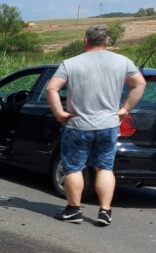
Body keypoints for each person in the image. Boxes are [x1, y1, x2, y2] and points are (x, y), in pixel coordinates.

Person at [45, 24, 145, 226]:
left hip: (77, 125)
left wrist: (60, 113)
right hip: (108, 125)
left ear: (85, 41)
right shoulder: (123, 62)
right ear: (107, 41)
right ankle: (105, 211)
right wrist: (125, 108)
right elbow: (139, 83)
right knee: (104, 168)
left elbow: (51, 89)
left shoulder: (71, 63)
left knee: (73, 168)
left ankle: (74, 210)